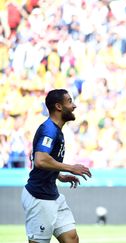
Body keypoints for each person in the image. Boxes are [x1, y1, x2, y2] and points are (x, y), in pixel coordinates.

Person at [21, 89, 92, 243]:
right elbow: (40, 160)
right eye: (70, 101)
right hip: (39, 197)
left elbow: (38, 158)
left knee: (71, 238)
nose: (74, 106)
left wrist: (59, 175)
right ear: (59, 107)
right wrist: (71, 167)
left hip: (52, 193)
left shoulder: (56, 130)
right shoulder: (49, 130)